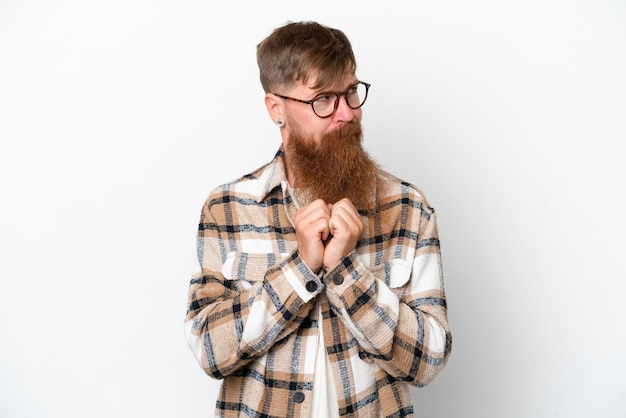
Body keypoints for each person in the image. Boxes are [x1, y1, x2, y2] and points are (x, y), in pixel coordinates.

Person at [185, 21, 452, 417]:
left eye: (350, 93)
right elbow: (210, 351)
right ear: (276, 108)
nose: (345, 113)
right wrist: (300, 270)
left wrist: (346, 272)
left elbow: (429, 360)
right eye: (322, 99)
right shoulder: (227, 208)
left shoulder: (408, 209)